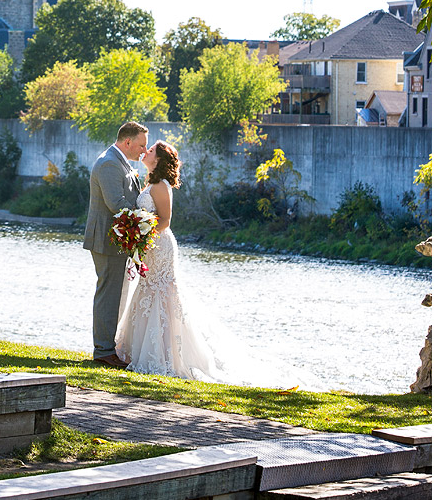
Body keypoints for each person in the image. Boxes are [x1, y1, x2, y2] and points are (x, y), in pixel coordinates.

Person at [115, 141, 301, 387]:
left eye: (150, 151)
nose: (145, 152)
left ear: (158, 159)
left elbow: (165, 221)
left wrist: (142, 235)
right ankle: (140, 350)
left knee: (163, 294)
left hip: (160, 246)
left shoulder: (160, 186)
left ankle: (166, 355)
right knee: (147, 291)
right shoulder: (149, 182)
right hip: (149, 247)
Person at [83, 120, 148, 367]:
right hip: (106, 240)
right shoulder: (109, 163)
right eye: (141, 145)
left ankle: (109, 348)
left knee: (115, 295)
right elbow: (116, 204)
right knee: (108, 296)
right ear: (127, 141)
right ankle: (103, 352)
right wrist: (146, 220)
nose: (144, 150)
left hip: (117, 240)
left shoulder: (121, 162)